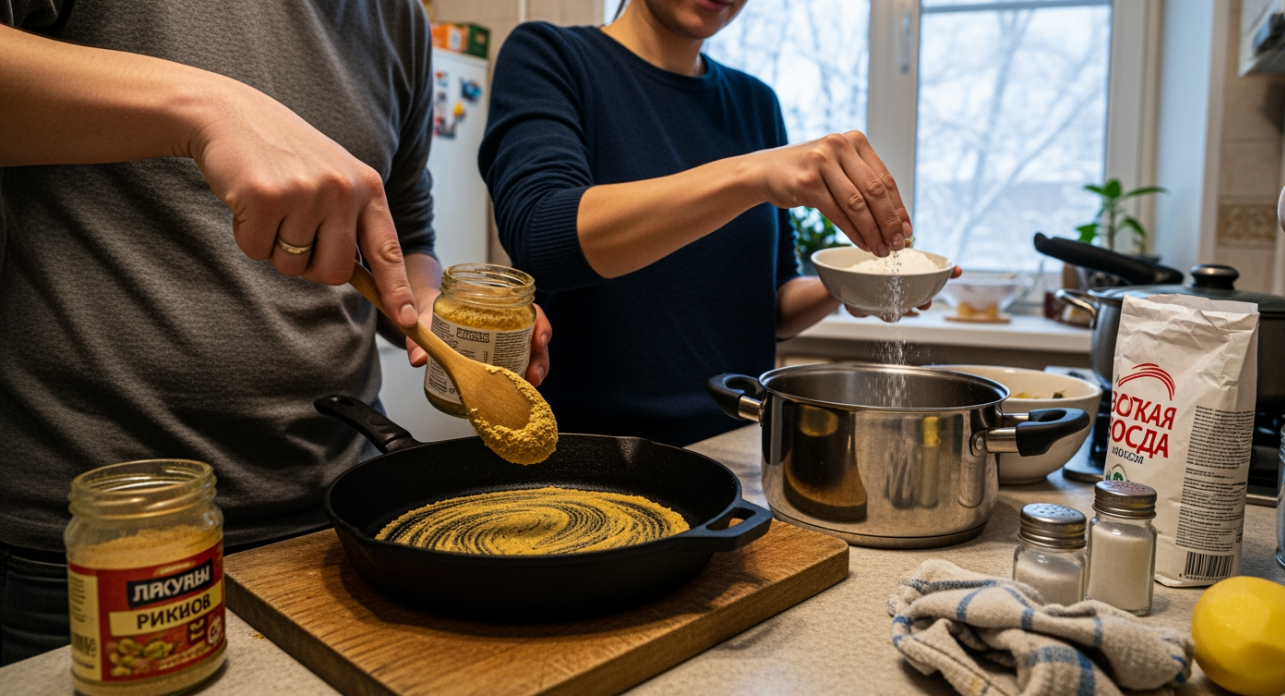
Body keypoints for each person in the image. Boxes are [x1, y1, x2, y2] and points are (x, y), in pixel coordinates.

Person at [0, 0, 549, 664]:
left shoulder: (399, 17)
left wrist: (427, 305)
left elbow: (404, 233)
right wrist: (203, 108)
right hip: (106, 538)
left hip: (341, 518)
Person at [479, 0, 956, 447]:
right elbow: (544, 235)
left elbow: (773, 303)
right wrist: (753, 173)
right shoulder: (550, 56)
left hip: (736, 448)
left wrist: (850, 282)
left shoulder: (755, 103)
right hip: (591, 455)